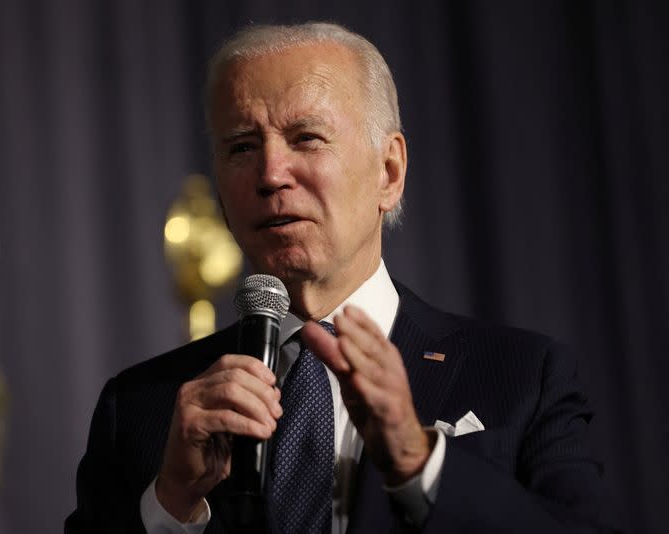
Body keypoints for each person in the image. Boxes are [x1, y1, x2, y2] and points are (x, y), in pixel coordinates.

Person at [66, 22, 614, 533]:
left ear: (389, 172)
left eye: (306, 138)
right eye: (241, 147)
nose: (271, 174)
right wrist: (171, 507)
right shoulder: (141, 407)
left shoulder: (523, 377)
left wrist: (422, 465)